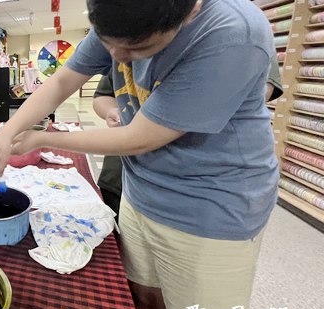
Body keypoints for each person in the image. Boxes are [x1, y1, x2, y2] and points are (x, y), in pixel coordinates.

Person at [0, 0, 277, 309]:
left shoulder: (232, 35)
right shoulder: (121, 20)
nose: (117, 55)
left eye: (136, 47)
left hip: (212, 206)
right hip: (143, 192)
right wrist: (11, 129)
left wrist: (42, 138)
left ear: (188, 9)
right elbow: (64, 80)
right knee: (147, 308)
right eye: (108, 41)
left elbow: (138, 137)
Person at [92, 58, 284, 218]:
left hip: (199, 190)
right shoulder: (125, 41)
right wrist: (115, 112)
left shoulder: (232, 32)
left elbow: (253, 92)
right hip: (126, 177)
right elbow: (99, 92)